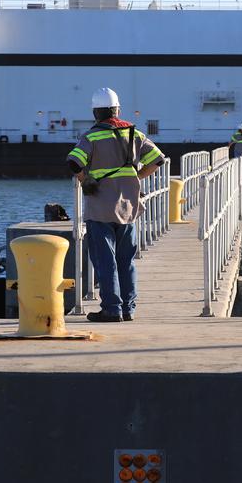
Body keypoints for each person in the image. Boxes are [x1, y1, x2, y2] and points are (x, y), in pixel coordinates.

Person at [66, 87, 163, 322]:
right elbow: (158, 160)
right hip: (128, 209)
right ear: (117, 109)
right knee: (126, 261)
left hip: (100, 209)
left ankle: (112, 309)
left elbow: (73, 161)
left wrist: (85, 179)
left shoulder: (91, 136)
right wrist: (135, 178)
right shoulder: (134, 134)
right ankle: (128, 308)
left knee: (105, 261)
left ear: (95, 113)